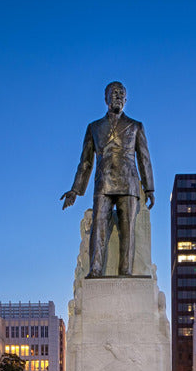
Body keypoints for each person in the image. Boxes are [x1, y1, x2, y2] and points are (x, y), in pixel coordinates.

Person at [61, 81, 154, 277]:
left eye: (122, 93)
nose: (118, 96)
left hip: (128, 183)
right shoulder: (94, 127)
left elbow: (144, 158)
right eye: (114, 93)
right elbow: (85, 162)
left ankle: (125, 271)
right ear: (105, 99)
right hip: (103, 183)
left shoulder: (135, 126)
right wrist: (75, 190)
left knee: (127, 231)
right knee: (98, 226)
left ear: (126, 99)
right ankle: (95, 270)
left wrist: (149, 187)